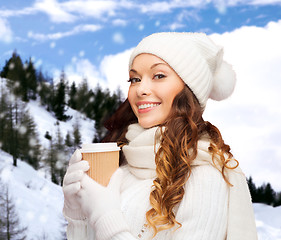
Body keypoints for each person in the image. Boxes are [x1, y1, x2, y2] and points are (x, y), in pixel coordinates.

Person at [62, 32, 258, 240]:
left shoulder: (205, 178)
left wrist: (105, 217)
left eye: (159, 76)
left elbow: (106, 222)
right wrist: (77, 214)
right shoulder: (124, 166)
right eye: (135, 79)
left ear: (188, 90)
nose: (141, 89)